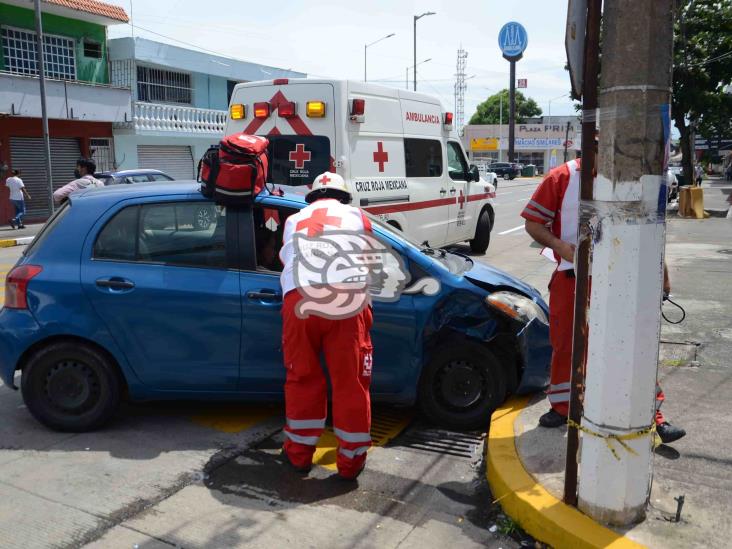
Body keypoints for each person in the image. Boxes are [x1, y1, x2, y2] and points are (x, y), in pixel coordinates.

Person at [521, 152, 686, 444]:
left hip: (622, 281)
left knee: (632, 348)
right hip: (572, 278)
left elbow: (650, 231)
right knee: (566, 345)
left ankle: (654, 417)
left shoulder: (631, 178)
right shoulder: (562, 177)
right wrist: (561, 246)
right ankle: (563, 406)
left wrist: (663, 273)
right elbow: (533, 223)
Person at [278, 171, 375, 480]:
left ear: (313, 198)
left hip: (299, 300)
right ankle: (350, 463)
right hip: (344, 302)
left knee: (302, 378)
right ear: (344, 197)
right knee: (350, 383)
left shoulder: (294, 219)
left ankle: (298, 456)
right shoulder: (358, 216)